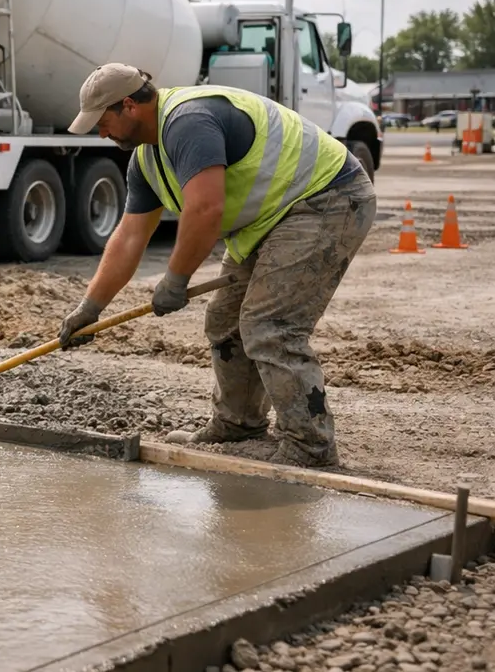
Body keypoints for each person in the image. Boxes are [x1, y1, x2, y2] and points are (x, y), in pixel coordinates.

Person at [56, 63, 376, 468]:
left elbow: (206, 210)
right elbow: (129, 237)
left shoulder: (188, 123)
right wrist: (90, 308)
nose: (101, 133)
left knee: (269, 326)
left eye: (103, 122)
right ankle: (239, 422)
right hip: (274, 217)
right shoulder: (146, 160)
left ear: (128, 106)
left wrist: (175, 280)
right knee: (225, 320)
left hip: (326, 200)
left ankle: (310, 446)